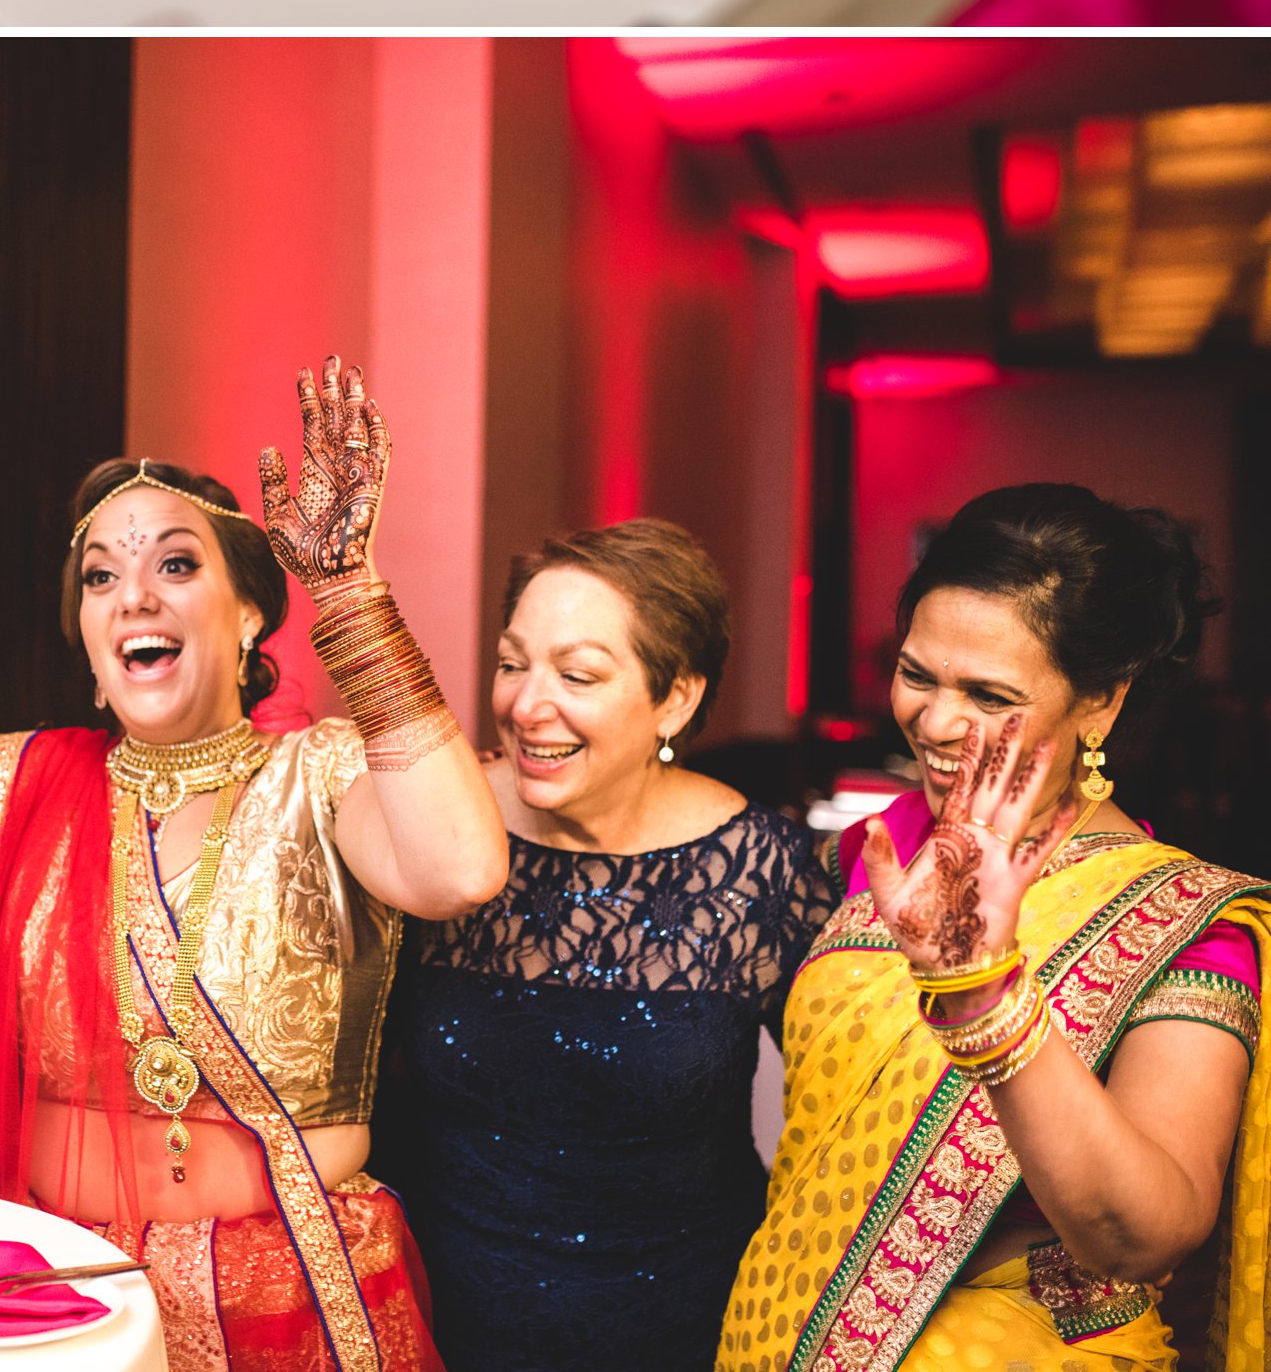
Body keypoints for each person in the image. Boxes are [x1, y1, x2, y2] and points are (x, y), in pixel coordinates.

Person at [0, 353, 509, 1371]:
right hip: (58, 1295)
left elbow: (461, 868)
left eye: (175, 564)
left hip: (292, 1291)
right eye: (99, 577)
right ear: (83, 634)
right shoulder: (13, 788)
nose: (134, 597)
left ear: (249, 612)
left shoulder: (321, 772)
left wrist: (346, 592)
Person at [720, 483, 1271, 1372]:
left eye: (989, 692)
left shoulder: (1183, 925)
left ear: (1100, 702)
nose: (937, 722)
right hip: (780, 1337)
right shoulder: (869, 857)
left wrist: (987, 1002)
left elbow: (1147, 1236)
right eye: (916, 674)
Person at [372, 520, 834, 1372]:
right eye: (513, 664)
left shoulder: (764, 871)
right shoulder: (437, 835)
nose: (524, 704)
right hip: (434, 1328)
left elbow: (846, 1125)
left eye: (577, 674)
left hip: (684, 1332)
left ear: (677, 699)